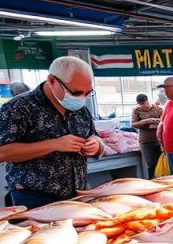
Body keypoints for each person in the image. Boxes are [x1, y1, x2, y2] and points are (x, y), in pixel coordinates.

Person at [0, 56, 104, 208]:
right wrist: (54, 144)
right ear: (52, 81)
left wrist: (96, 146)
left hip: (78, 195)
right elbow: (2, 152)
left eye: (88, 93)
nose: (82, 98)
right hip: (34, 198)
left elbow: (96, 138)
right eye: (76, 93)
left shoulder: (80, 109)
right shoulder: (18, 108)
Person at [131, 93, 163, 178]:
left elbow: (165, 120)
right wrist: (146, 121)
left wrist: (153, 120)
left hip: (158, 140)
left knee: (160, 163)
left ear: (147, 101)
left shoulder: (158, 109)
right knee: (150, 164)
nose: (143, 106)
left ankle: (161, 180)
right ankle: (151, 181)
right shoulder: (137, 111)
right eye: (141, 104)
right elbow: (133, 124)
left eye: (144, 103)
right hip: (145, 141)